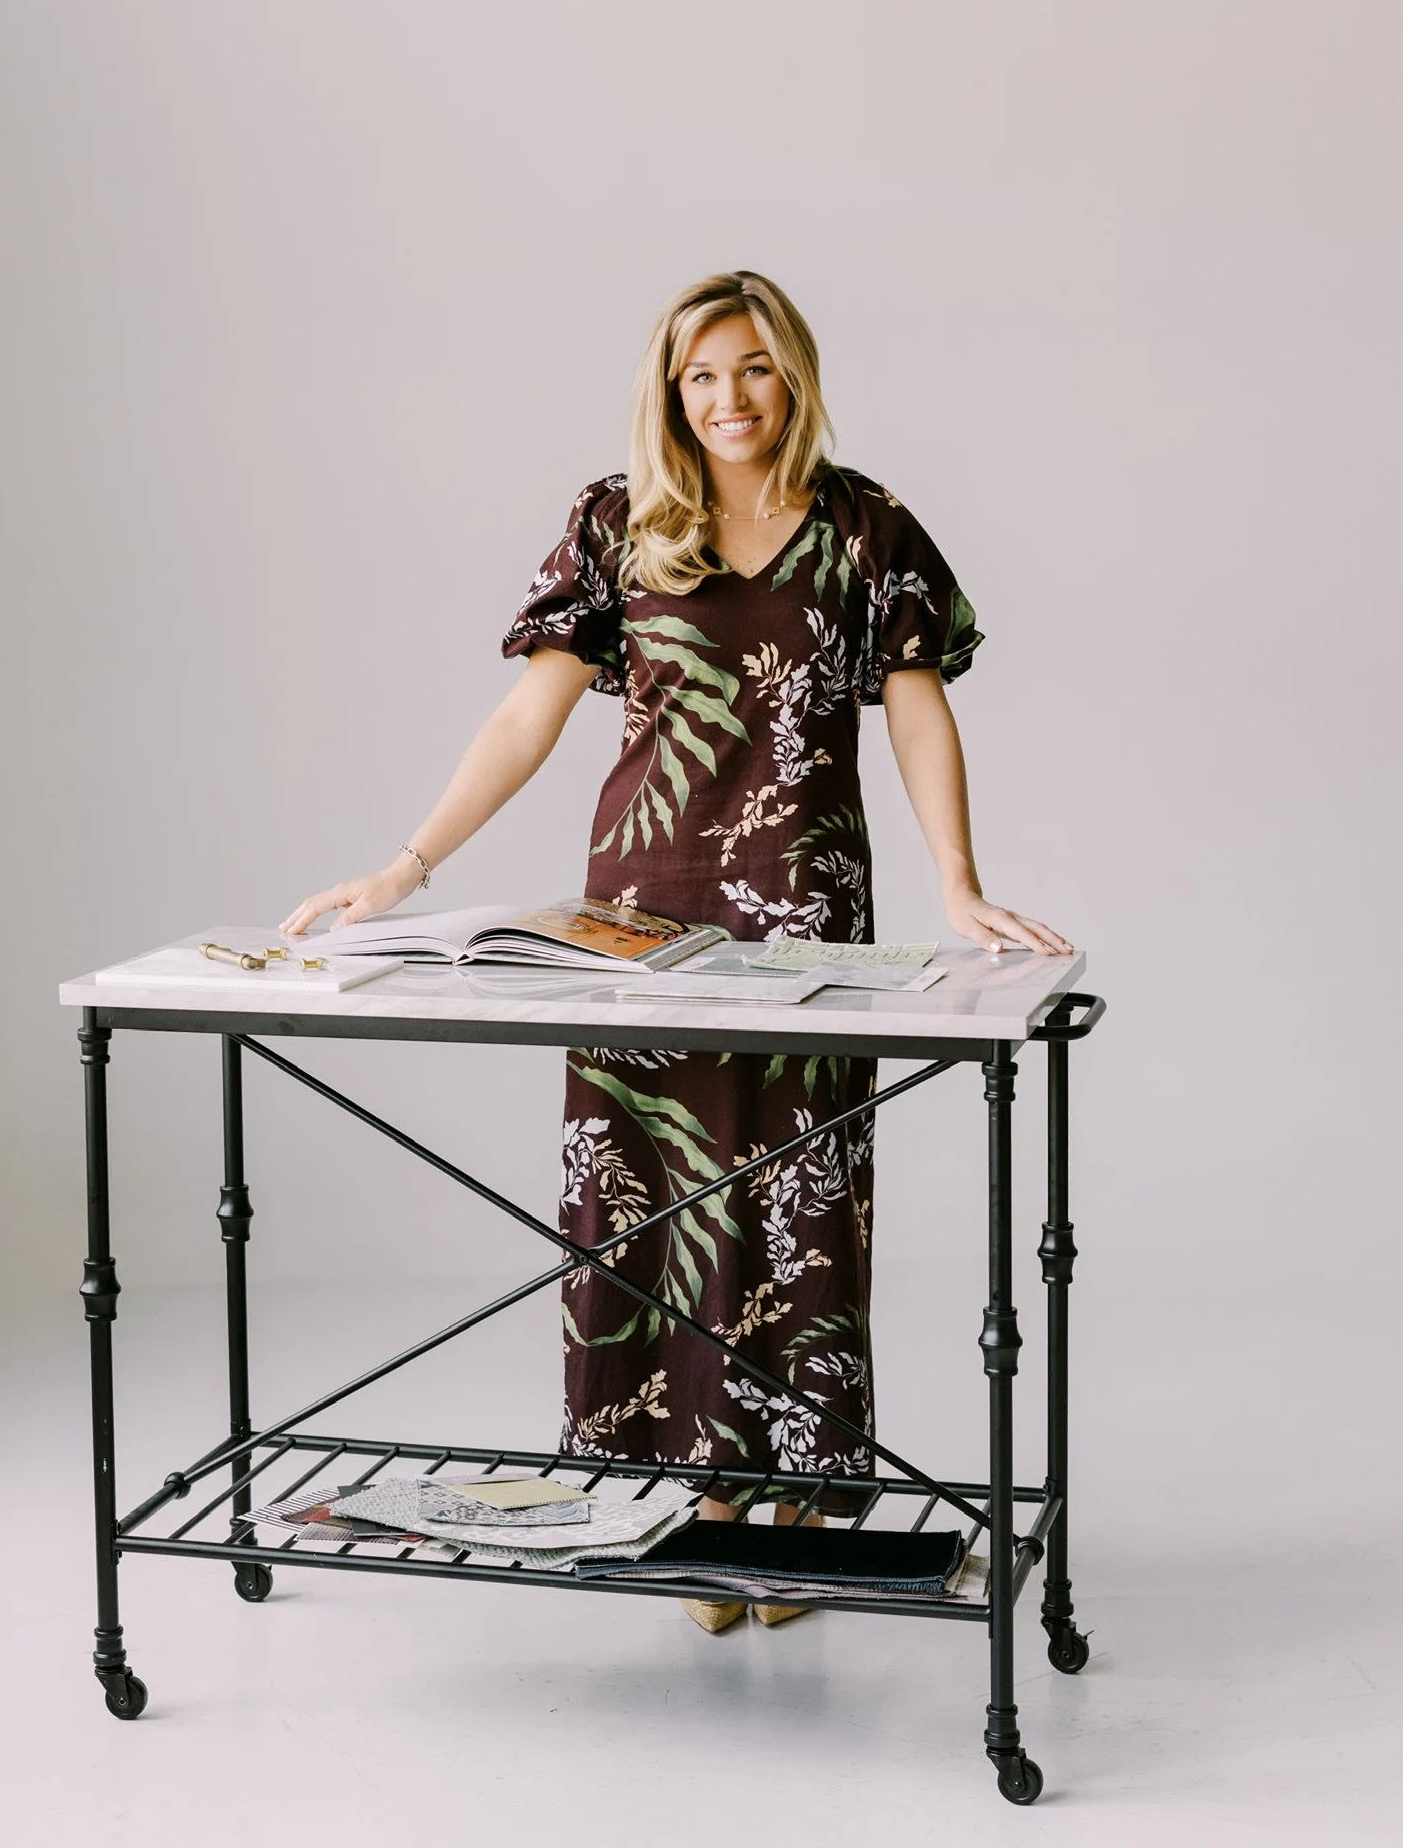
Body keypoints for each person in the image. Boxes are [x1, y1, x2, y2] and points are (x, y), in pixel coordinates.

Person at [284, 271, 1070, 1633]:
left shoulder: (862, 526)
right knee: (647, 1204)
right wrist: (407, 866)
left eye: (754, 370)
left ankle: (793, 1514)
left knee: (794, 1202)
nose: (729, 400)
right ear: (669, 390)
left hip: (805, 911)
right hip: (634, 922)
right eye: (701, 376)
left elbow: (915, 709)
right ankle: (692, 1511)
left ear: (795, 375)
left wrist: (959, 881)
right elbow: (528, 718)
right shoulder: (619, 520)